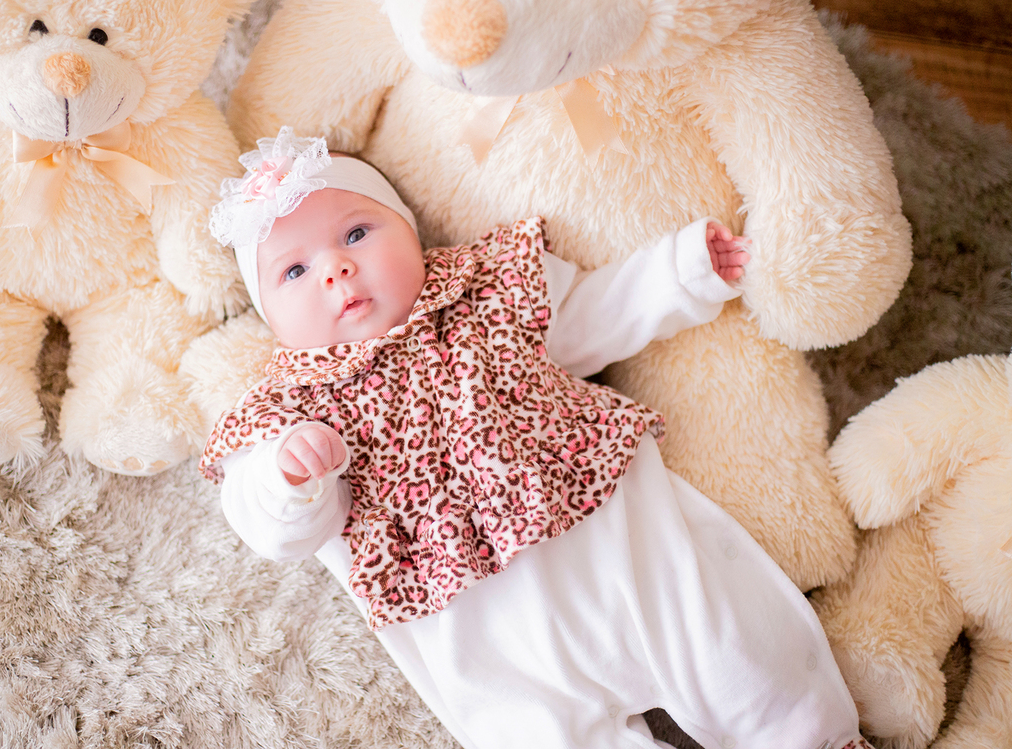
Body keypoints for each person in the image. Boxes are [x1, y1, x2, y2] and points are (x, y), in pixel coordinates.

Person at [200, 128, 873, 749]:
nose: (335, 271)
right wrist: (288, 480)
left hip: (618, 540)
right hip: (481, 632)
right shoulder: (288, 408)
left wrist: (679, 273)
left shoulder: (483, 289)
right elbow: (270, 528)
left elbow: (592, 316)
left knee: (731, 637)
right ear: (270, 318)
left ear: (407, 228)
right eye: (294, 272)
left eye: (356, 233)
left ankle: (808, 733)